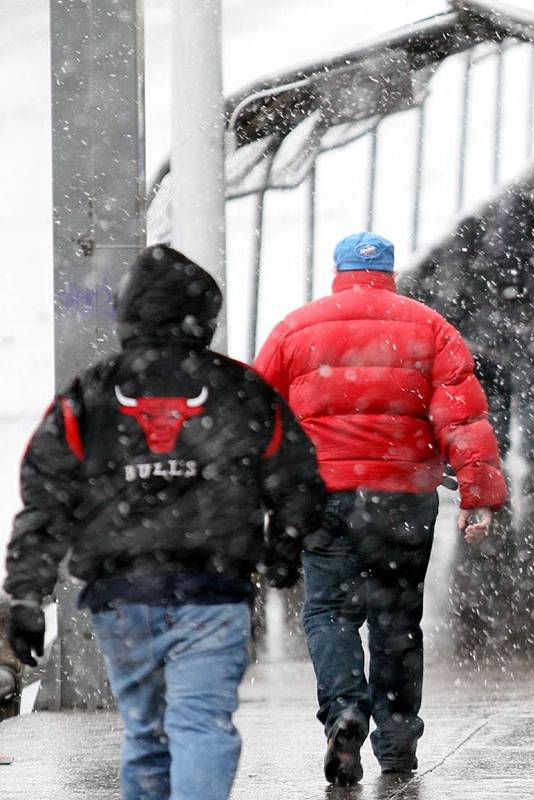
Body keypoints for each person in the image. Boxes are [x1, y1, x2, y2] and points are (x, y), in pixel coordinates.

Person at [4, 245, 323, 800]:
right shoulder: (242, 389)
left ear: (128, 314)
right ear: (205, 314)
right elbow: (297, 477)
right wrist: (283, 551)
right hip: (214, 589)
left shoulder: (91, 391)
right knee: (201, 725)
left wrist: (27, 597)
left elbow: (46, 493)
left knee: (145, 733)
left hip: (121, 596)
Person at [254, 231, 507, 785]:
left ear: (337, 271)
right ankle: (396, 745)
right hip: (402, 494)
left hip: (322, 494)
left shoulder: (296, 329)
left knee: (329, 613)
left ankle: (345, 710)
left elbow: (259, 415)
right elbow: (462, 418)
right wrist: (478, 495)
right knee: (396, 619)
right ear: (391, 273)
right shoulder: (429, 327)